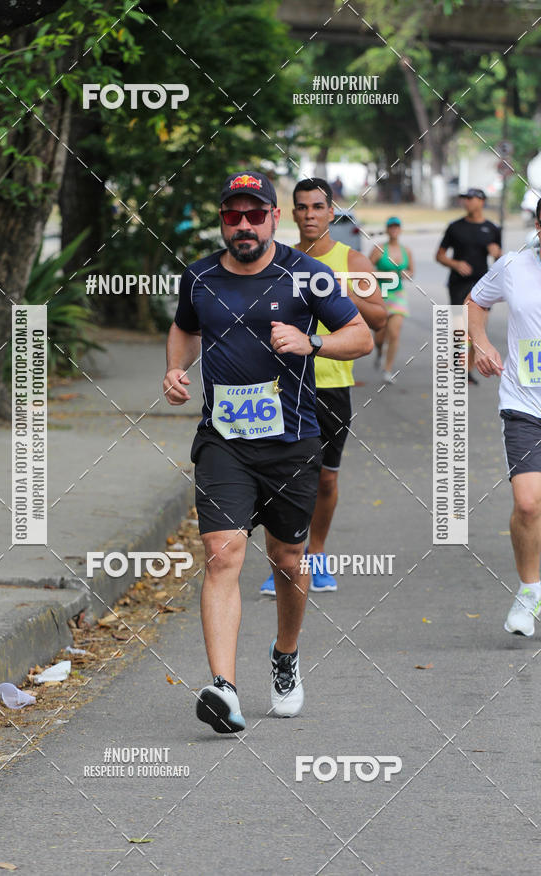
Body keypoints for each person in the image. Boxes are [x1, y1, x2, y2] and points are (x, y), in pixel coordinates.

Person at [164, 171, 373, 733]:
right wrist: (176, 369)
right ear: (223, 221)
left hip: (292, 442)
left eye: (255, 215)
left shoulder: (308, 274)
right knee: (222, 553)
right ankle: (224, 689)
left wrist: (313, 341)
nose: (244, 225)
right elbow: (184, 328)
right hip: (223, 441)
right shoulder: (199, 276)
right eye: (234, 215)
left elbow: (361, 336)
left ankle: (285, 655)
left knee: (287, 560)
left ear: (274, 218)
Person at [260, 177, 386, 594]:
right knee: (282, 477)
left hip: (332, 386)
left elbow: (379, 318)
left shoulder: (352, 260)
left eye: (318, 207)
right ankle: (284, 559)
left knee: (326, 479)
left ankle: (317, 554)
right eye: (302, 207)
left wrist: (338, 289)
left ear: (332, 212)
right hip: (284, 386)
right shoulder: (277, 259)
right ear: (290, 213)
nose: (310, 215)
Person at [466, 196, 541, 637]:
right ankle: (529, 590)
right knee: (528, 503)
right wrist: (481, 343)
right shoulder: (514, 265)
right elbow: (475, 302)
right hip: (524, 403)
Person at [435, 188, 502, 384]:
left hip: (482, 285)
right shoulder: (455, 227)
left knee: (477, 330)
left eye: (471, 199)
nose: (467, 202)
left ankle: (468, 371)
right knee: (460, 328)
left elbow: (500, 259)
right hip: (458, 283)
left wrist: (497, 253)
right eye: (465, 199)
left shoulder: (492, 228)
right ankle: (459, 368)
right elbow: (439, 255)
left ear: (482, 201)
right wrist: (455, 264)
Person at [369, 216, 414, 384]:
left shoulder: (406, 250)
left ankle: (387, 369)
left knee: (394, 333)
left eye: (397, 227)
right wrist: (383, 275)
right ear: (387, 230)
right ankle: (380, 351)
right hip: (380, 295)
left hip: (397, 295)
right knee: (379, 337)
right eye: (391, 227)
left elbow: (412, 270)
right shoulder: (379, 249)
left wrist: (407, 274)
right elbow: (365, 270)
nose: (394, 229)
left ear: (400, 230)